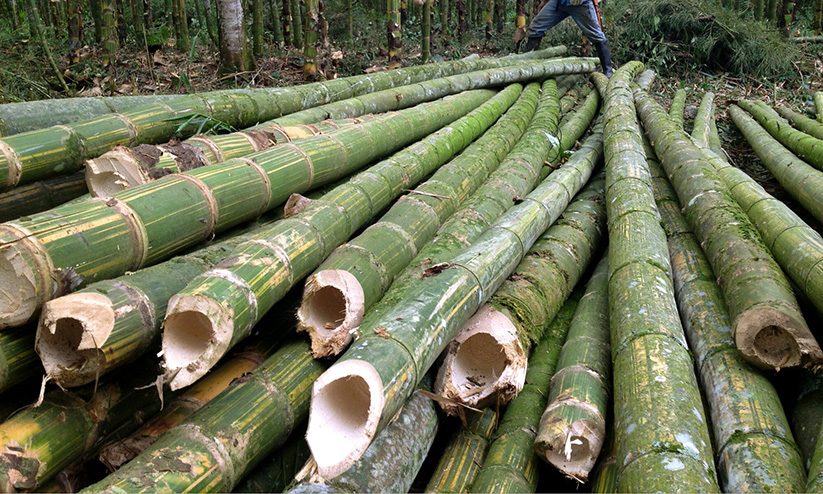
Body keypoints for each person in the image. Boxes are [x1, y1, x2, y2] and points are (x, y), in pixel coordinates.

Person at [523, 0, 615, 77]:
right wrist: (545, 1)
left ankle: (608, 71)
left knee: (596, 35)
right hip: (559, 2)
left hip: (581, 3)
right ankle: (526, 64)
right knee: (536, 27)